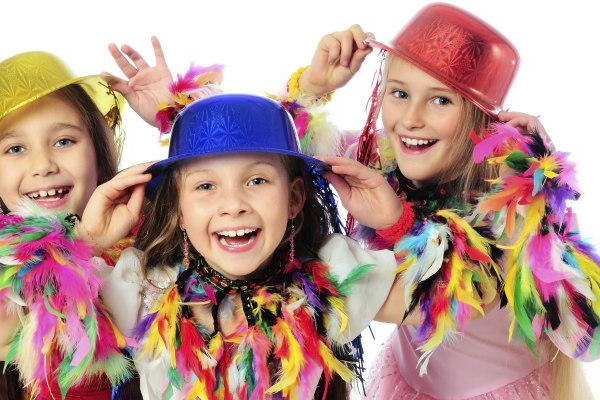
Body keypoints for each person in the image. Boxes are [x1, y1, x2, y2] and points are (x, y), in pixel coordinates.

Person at [275, 3, 599, 399]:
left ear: (481, 119)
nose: (410, 118)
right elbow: (281, 164)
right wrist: (314, 85)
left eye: (440, 100)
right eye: (399, 93)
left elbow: (588, 341)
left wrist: (544, 198)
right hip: (407, 384)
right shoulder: (383, 160)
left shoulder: (511, 206)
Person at [0, 38, 175, 399]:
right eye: (16, 149)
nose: (43, 165)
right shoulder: (1, 274)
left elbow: (234, 200)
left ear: (98, 149)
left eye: (64, 141)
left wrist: (179, 117)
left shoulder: (156, 230)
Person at [74, 92, 398, 399]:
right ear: (179, 212)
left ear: (294, 199)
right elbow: (44, 310)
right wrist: (87, 241)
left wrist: (393, 222)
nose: (233, 205)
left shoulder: (330, 280)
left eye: (257, 181)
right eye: (205, 185)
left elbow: (440, 300)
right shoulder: (144, 290)